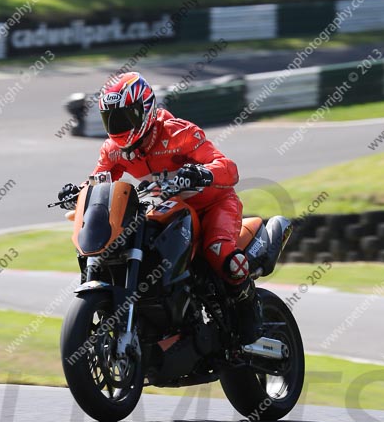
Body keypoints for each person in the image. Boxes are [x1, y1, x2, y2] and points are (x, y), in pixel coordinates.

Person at [58, 71, 261, 343]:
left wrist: (202, 173)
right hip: (169, 209)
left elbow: (228, 168)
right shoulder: (113, 149)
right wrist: (81, 190)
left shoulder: (179, 133)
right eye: (111, 119)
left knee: (221, 254)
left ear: (145, 111)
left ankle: (250, 314)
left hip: (212, 205)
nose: (118, 126)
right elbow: (101, 178)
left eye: (125, 117)